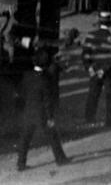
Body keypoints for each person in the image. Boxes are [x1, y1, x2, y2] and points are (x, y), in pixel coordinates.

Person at [14, 42, 71, 170]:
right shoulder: (45, 80)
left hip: (28, 112)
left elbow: (21, 92)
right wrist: (50, 117)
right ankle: (60, 159)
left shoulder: (27, 75)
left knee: (25, 139)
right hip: (41, 114)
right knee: (53, 136)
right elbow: (47, 101)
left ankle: (21, 163)